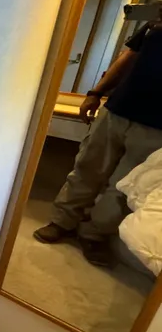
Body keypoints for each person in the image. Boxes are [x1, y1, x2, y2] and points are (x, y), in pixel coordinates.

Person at [34, 13, 162, 267]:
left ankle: (94, 234)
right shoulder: (156, 21)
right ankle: (62, 221)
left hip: (157, 128)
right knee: (87, 168)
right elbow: (128, 56)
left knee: (123, 187)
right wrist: (95, 92)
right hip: (117, 110)